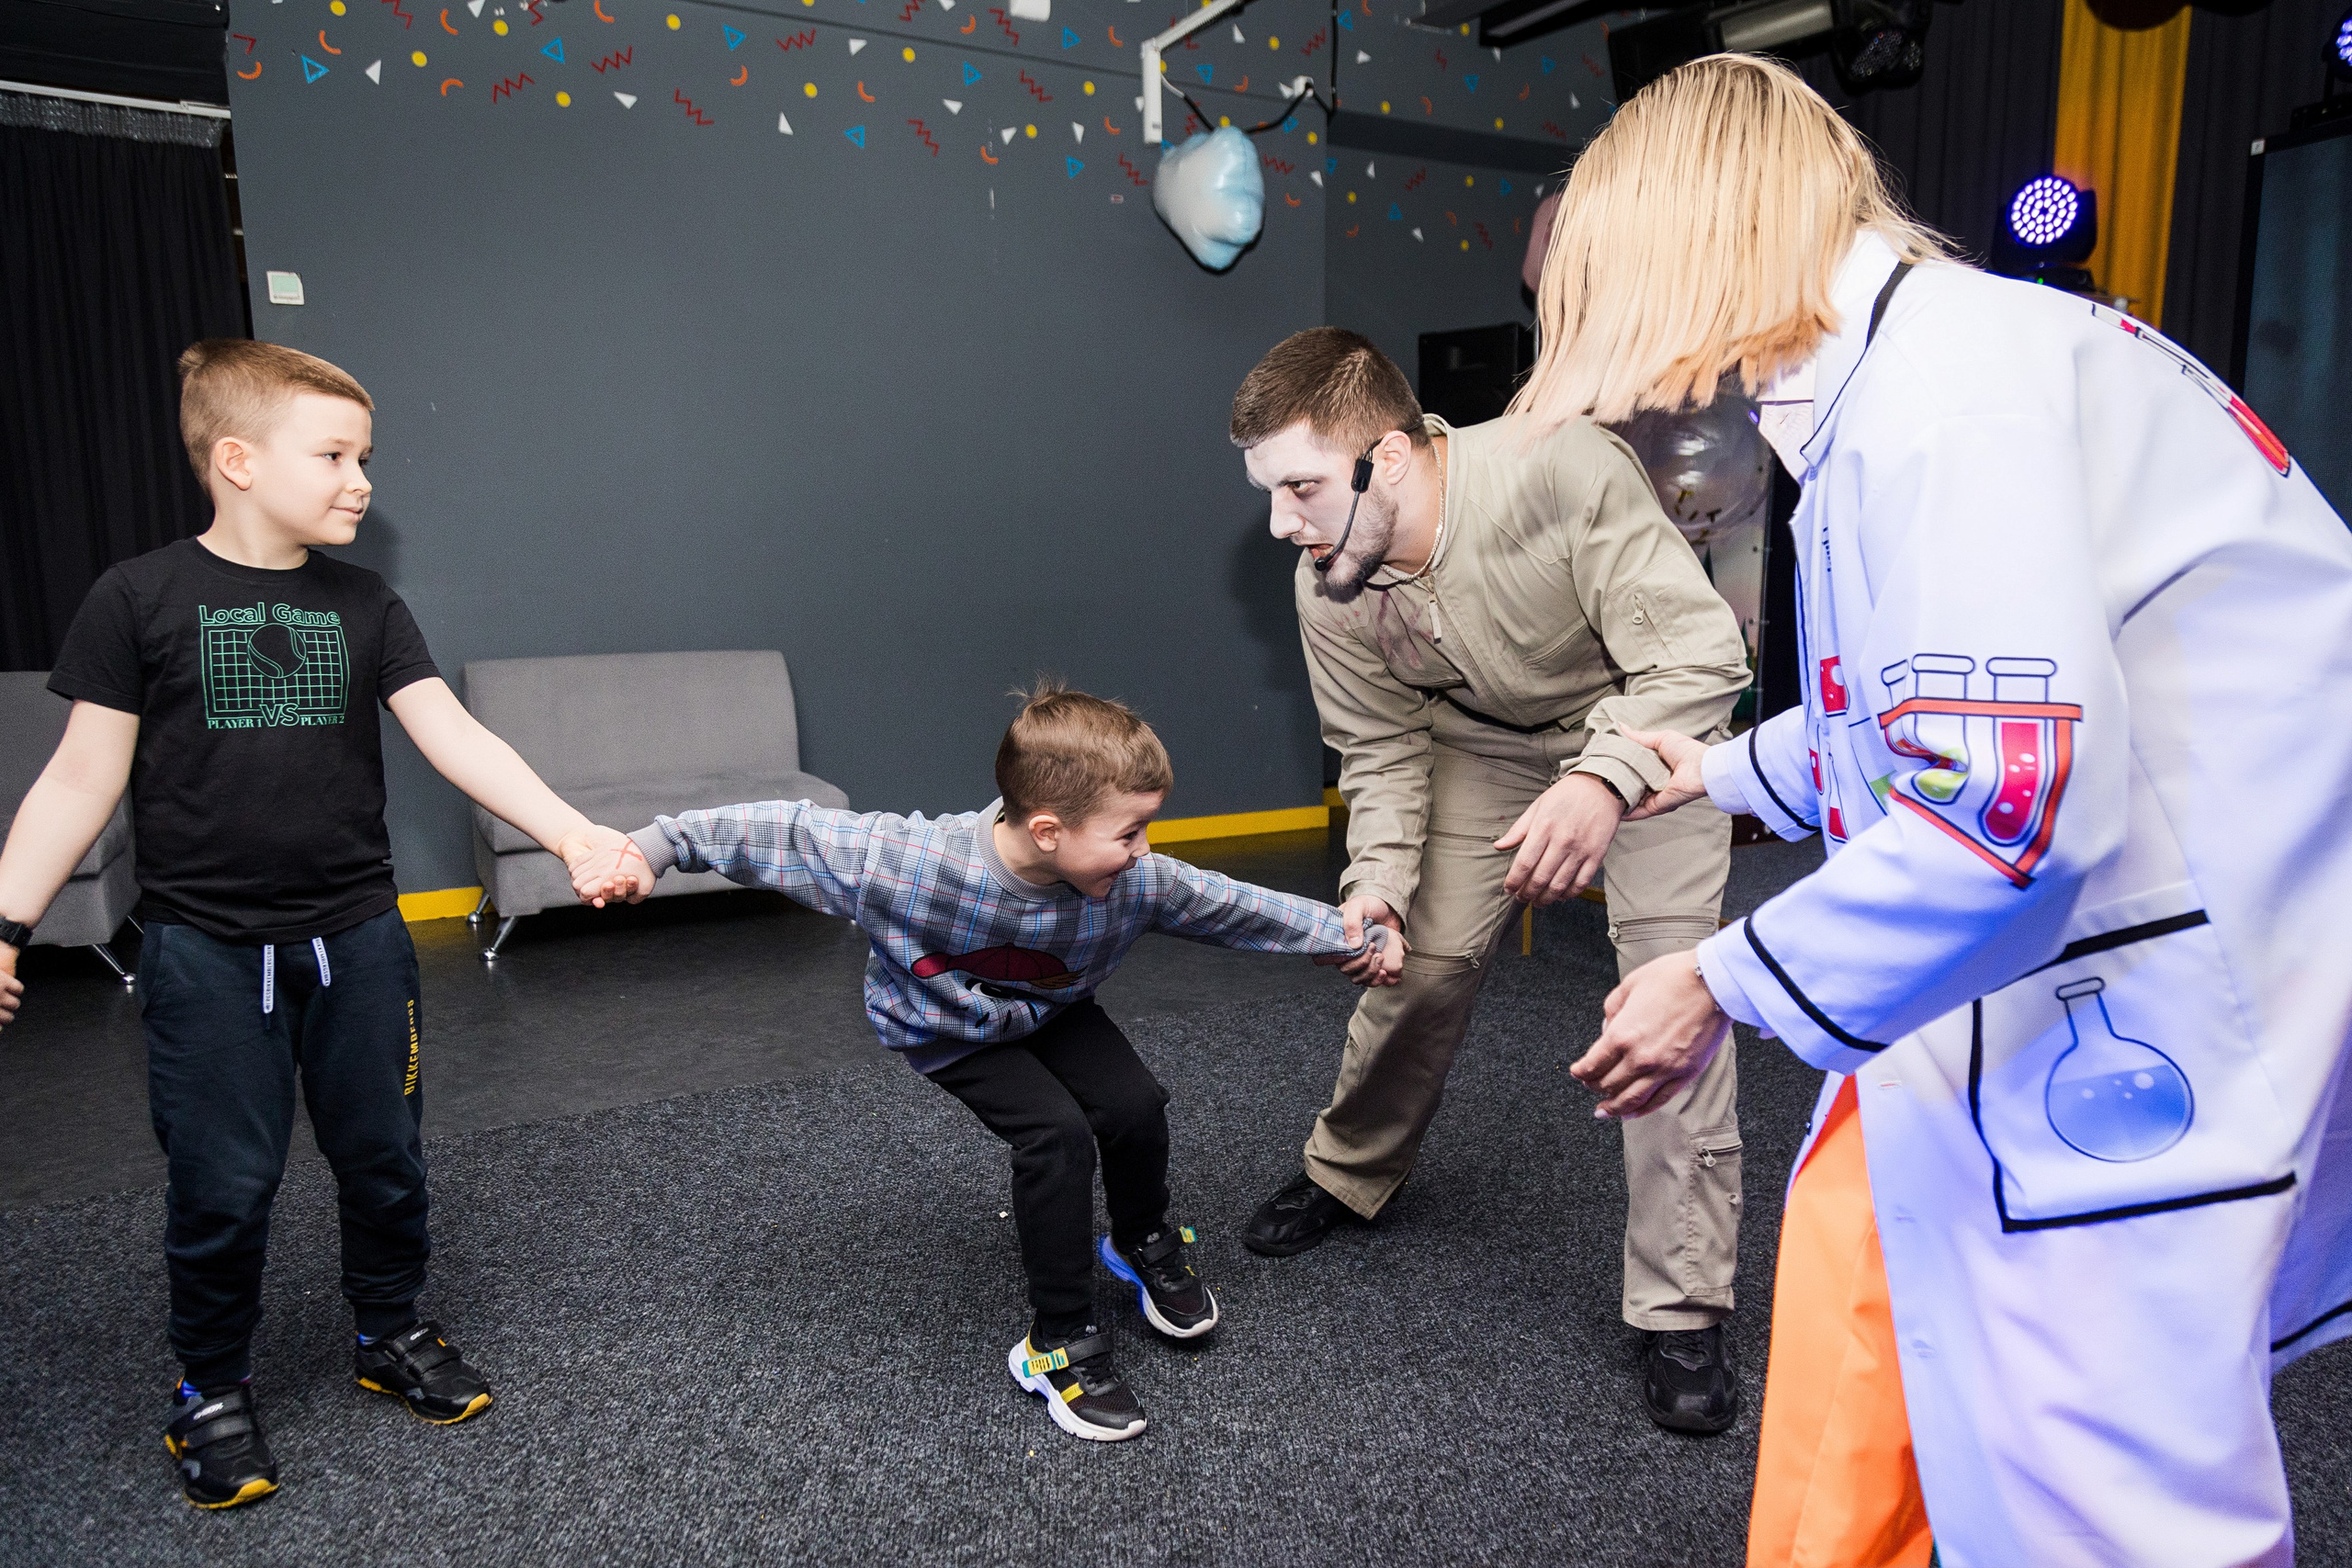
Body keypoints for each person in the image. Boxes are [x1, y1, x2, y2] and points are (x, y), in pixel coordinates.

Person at [1547, 56, 2352, 1568]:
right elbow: (1909, 712)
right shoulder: (1928, 372)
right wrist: (1711, 770)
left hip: (2155, 989)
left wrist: (1715, 982)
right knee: (1964, 1357)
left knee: (2115, 1487)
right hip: (2163, 940)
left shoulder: (1943, 397)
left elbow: (2006, 809)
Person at [0, 341, 642, 1508]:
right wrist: (5, 922)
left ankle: (386, 1332)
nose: (361, 480)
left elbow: (457, 737)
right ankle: (209, 1389)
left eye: (366, 456)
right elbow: (76, 781)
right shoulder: (137, 598)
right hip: (203, 954)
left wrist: (573, 834)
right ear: (236, 461)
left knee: (383, 1160)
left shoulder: (364, 600)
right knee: (222, 1183)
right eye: (335, 454)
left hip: (356, 938)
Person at [571, 684, 1400, 1443]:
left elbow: (1233, 904)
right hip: (944, 1027)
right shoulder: (906, 862)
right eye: (1129, 831)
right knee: (1058, 1138)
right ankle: (1058, 1342)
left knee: (1136, 1104)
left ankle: (1141, 1238)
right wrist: (654, 847)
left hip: (1052, 1008)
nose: (1145, 850)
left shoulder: (1139, 882)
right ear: (1048, 829)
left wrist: (1347, 936)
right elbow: (779, 830)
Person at [1226, 328, 1756, 1431]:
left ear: (1393, 454)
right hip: (1475, 747)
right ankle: (1347, 1170)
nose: (1283, 521)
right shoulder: (1328, 581)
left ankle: (1682, 1306)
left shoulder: (1559, 467)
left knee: (1669, 999)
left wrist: (1604, 777)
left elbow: (1701, 656)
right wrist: (1374, 879)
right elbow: (1377, 751)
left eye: (1303, 488)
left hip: (1646, 733)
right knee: (1412, 962)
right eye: (1270, 494)